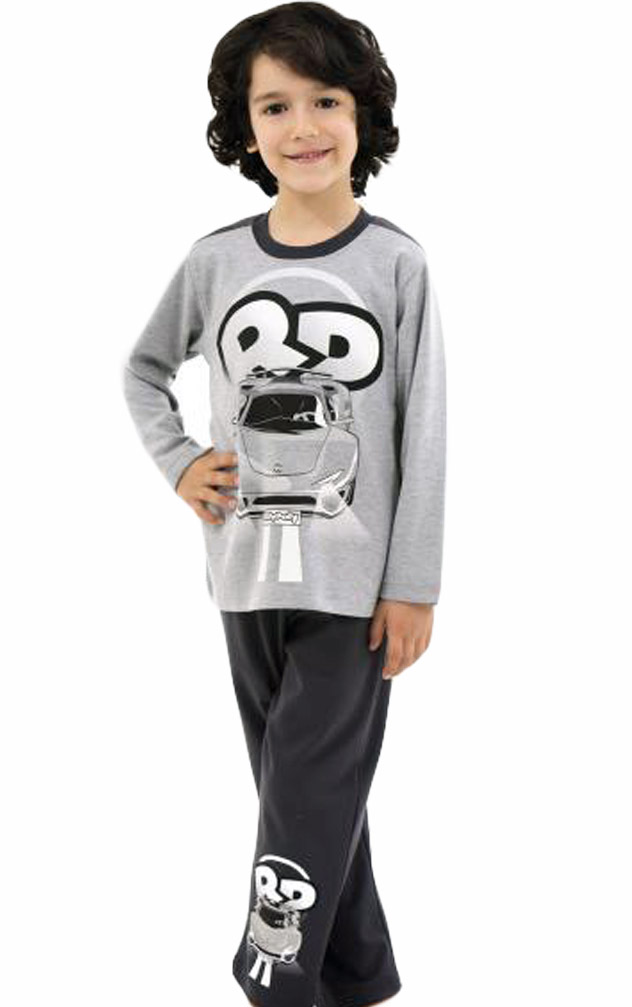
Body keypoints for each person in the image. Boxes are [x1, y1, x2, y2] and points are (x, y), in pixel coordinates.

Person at [121, 4, 447, 1006]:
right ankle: (359, 974)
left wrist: (413, 584)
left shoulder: (396, 262)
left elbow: (423, 433)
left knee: (303, 790)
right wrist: (181, 462)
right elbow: (143, 370)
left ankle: (275, 979)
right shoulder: (216, 259)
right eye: (275, 105)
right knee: (302, 789)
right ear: (245, 126)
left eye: (325, 100)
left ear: (362, 115)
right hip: (240, 577)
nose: (302, 126)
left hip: (355, 592)